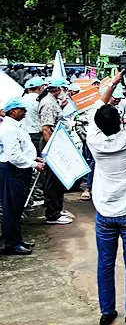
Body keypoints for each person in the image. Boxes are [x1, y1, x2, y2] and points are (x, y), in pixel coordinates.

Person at [86, 56, 126, 325]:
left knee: (105, 263)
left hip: (104, 209)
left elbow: (98, 106)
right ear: (121, 120)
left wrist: (113, 82)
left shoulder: (93, 138)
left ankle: (107, 311)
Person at [0, 98, 45, 255]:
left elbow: (21, 150)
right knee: (12, 209)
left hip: (19, 170)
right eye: (22, 110)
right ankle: (11, 243)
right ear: (13, 111)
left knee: (17, 208)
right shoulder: (8, 129)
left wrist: (33, 159)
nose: (25, 112)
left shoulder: (15, 127)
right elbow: (13, 155)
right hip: (13, 171)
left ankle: (17, 239)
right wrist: (33, 164)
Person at [39, 76, 72, 225]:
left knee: (58, 179)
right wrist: (52, 149)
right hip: (51, 144)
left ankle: (57, 210)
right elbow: (46, 129)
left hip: (57, 141)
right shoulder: (47, 103)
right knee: (52, 180)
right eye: (63, 88)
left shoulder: (53, 102)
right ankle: (52, 214)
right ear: (58, 89)